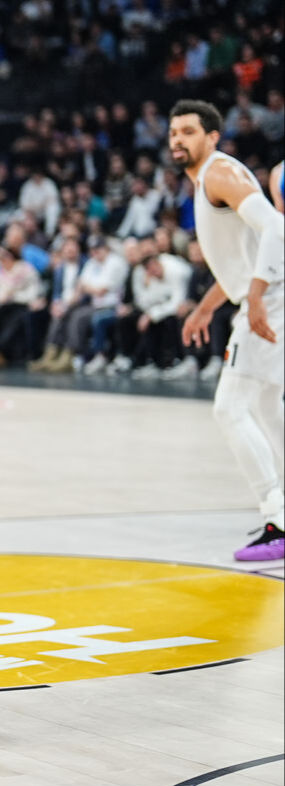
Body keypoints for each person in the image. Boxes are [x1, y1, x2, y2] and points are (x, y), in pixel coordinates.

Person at [170, 100, 284, 562]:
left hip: (273, 300)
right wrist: (205, 309)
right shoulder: (204, 183)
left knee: (230, 407)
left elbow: (276, 227)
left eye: (189, 132)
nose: (178, 140)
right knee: (267, 406)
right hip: (270, 295)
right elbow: (240, 260)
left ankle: (278, 519)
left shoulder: (219, 174)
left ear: (212, 136)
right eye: (174, 133)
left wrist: (255, 296)